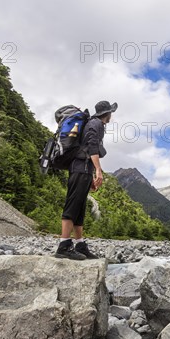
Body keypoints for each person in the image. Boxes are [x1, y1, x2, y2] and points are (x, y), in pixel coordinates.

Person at [55, 100, 117, 260]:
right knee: (73, 204)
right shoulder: (95, 124)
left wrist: (90, 175)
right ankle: (63, 246)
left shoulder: (95, 124)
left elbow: (87, 148)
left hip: (83, 169)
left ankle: (80, 245)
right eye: (111, 113)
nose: (111, 116)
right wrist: (98, 170)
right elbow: (91, 146)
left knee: (80, 207)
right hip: (80, 168)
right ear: (107, 113)